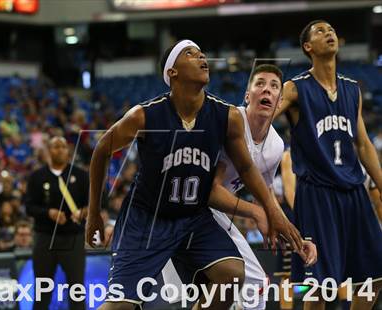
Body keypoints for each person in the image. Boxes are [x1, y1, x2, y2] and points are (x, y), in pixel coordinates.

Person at [86, 40, 304, 310]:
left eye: (203, 54)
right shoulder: (144, 116)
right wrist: (94, 212)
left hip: (193, 216)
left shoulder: (226, 116)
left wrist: (271, 211)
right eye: (191, 54)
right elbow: (100, 152)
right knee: (120, 306)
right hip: (147, 219)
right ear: (172, 73)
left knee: (231, 275)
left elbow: (247, 169)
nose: (202, 58)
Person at [162, 64, 317, 310]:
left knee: (233, 289)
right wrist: (256, 213)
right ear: (247, 96)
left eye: (274, 87)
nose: (267, 90)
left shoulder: (275, 145)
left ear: (279, 103)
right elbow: (210, 191)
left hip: (208, 214)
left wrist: (297, 238)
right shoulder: (232, 123)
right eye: (260, 84)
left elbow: (265, 198)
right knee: (249, 284)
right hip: (185, 206)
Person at [275, 20, 382, 310]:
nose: (329, 33)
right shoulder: (295, 88)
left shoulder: (352, 90)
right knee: (319, 286)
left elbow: (362, 144)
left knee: (373, 276)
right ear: (307, 47)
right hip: (318, 194)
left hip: (353, 191)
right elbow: (264, 117)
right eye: (320, 31)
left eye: (332, 29)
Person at [25, 136, 89, 310]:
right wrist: (48, 213)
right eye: (55, 147)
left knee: (77, 290)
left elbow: (96, 203)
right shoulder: (37, 177)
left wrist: (84, 211)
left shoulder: (81, 175)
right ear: (48, 151)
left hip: (73, 238)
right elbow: (29, 207)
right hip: (45, 238)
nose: (59, 150)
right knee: (42, 291)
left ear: (68, 150)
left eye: (62, 146)